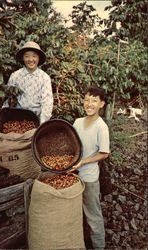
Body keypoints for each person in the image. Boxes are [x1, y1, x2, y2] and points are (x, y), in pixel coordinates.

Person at [70, 86, 110, 249]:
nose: (89, 104)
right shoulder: (78, 122)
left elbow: (104, 153)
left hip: (89, 178)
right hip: (73, 175)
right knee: (75, 213)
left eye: (94, 100)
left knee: (93, 216)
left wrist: (83, 162)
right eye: (86, 100)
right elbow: (70, 142)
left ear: (102, 104)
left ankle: (99, 246)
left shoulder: (101, 127)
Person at [3, 41, 53, 124]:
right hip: (17, 119)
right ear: (23, 58)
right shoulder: (15, 76)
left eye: (34, 56)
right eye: (27, 56)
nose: (30, 60)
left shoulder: (44, 78)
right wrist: (4, 117)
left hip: (36, 119)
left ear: (38, 58)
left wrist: (42, 123)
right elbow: (8, 99)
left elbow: (47, 103)